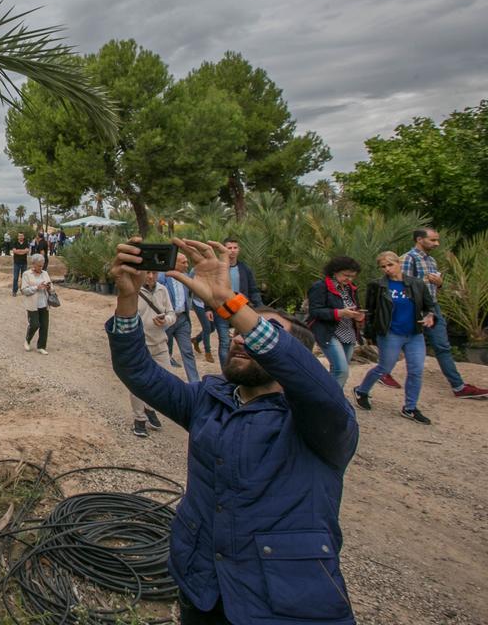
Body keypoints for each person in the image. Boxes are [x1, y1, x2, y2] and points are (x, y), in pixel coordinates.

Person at [108, 238, 358, 625]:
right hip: (203, 590)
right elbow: (138, 371)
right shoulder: (209, 399)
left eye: (255, 330)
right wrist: (127, 298)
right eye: (237, 330)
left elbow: (303, 373)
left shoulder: (321, 419)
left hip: (285, 606)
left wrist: (228, 301)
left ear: (293, 357)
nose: (239, 337)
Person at [396, 228, 488, 399]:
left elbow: (433, 288)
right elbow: (403, 287)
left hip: (432, 306)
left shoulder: (431, 260)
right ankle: (381, 374)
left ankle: (458, 387)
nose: (437, 244)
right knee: (398, 342)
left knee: (442, 346)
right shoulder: (408, 258)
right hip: (415, 308)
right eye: (432, 240)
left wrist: (439, 283)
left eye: (437, 240)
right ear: (419, 239)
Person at [353, 251, 437, 423]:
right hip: (390, 333)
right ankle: (361, 390)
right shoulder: (377, 286)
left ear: (399, 263)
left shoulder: (416, 284)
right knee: (384, 368)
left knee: (416, 370)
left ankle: (410, 408)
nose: (387, 269)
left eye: (390, 265)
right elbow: (371, 310)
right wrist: (369, 332)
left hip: (414, 334)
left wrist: (430, 315)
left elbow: (430, 305)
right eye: (383, 267)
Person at [307, 256, 363, 388]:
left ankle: (327, 394)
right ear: (334, 271)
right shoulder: (321, 287)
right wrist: (339, 313)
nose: (349, 279)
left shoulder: (351, 288)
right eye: (346, 275)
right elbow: (314, 311)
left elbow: (355, 306)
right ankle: (332, 398)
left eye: (352, 276)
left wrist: (358, 316)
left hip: (348, 332)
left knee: (338, 369)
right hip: (328, 332)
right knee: (341, 370)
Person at [132, 271, 174, 437]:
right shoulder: (133, 290)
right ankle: (139, 419)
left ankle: (149, 407)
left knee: (165, 379)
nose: (150, 276)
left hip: (160, 343)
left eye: (154, 273)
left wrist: (166, 320)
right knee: (137, 382)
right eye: (147, 272)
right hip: (140, 344)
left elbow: (171, 313)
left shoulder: (162, 290)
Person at [215, 237, 263, 366]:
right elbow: (211, 289)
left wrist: (260, 307)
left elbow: (253, 289)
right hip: (221, 308)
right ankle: (226, 371)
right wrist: (208, 308)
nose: (232, 250)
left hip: (241, 309)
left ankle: (240, 366)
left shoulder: (245, 269)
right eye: (229, 248)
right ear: (224, 250)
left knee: (244, 340)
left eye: (235, 248)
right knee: (225, 342)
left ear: (239, 250)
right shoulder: (218, 269)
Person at [160, 253, 200, 382]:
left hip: (182, 320)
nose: (186, 265)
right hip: (167, 320)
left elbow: (191, 295)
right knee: (165, 353)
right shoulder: (162, 277)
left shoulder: (186, 278)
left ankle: (195, 383)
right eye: (183, 262)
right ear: (174, 262)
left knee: (188, 352)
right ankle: (166, 383)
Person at [20, 254, 52, 355]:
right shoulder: (26, 274)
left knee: (44, 326)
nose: (41, 267)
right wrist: (37, 287)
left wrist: (49, 287)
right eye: (39, 265)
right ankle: (27, 340)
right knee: (34, 324)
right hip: (32, 304)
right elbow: (24, 290)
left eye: (42, 265)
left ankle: (41, 347)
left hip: (44, 303)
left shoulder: (45, 273)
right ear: (33, 264)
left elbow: (52, 287)